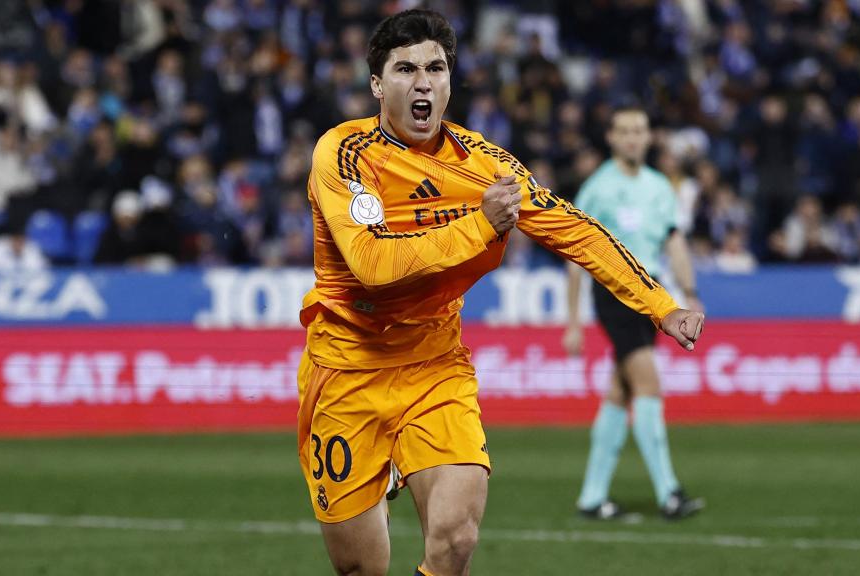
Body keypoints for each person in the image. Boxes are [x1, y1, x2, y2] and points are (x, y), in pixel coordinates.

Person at [299, 10, 705, 576]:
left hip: (435, 367)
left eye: (435, 68)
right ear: (377, 85)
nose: (422, 82)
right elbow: (373, 264)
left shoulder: (485, 164)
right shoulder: (344, 154)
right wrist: (480, 224)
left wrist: (661, 304)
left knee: (456, 540)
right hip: (348, 371)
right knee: (361, 567)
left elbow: (575, 229)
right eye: (405, 69)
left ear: (450, 81)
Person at [562, 104, 706, 522]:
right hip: (615, 293)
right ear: (611, 137)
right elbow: (574, 254)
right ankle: (669, 493)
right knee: (648, 385)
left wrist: (690, 293)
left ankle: (592, 497)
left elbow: (674, 241)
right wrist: (573, 322)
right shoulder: (597, 189)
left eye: (639, 130)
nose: (632, 138)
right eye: (624, 131)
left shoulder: (660, 187)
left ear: (648, 137)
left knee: (620, 391)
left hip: (652, 294)